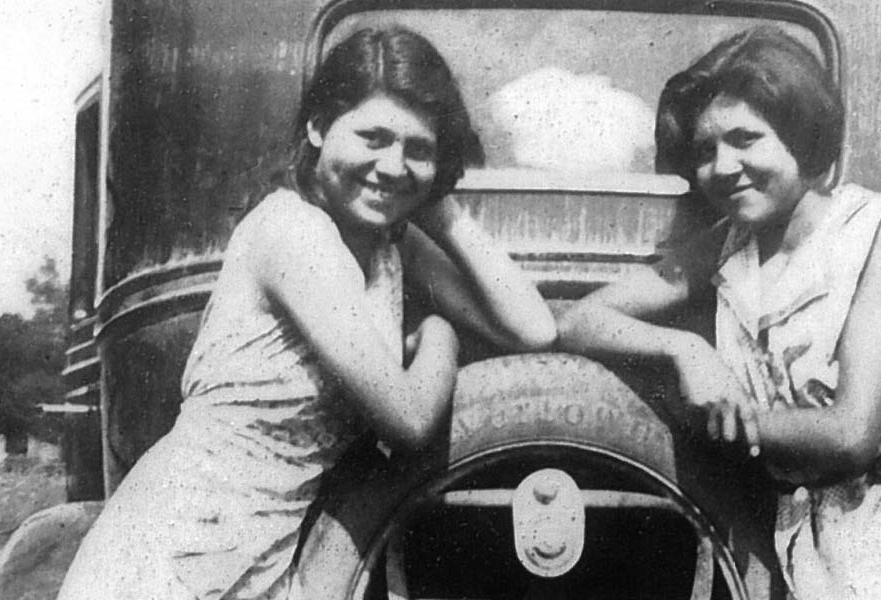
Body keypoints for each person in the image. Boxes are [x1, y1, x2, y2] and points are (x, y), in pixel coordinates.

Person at [556, 26, 881, 599]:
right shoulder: (728, 245)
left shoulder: (874, 229)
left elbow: (851, 435)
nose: (723, 166)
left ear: (800, 134)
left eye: (746, 139)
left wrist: (716, 424)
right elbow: (579, 321)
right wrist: (686, 350)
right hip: (794, 532)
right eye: (704, 150)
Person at [57, 26, 555, 600]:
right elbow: (409, 419)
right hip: (176, 547)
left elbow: (533, 330)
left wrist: (440, 209)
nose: (392, 165)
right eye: (373, 137)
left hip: (259, 553)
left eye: (418, 147)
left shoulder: (391, 245)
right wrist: (440, 333)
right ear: (318, 127)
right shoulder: (292, 231)